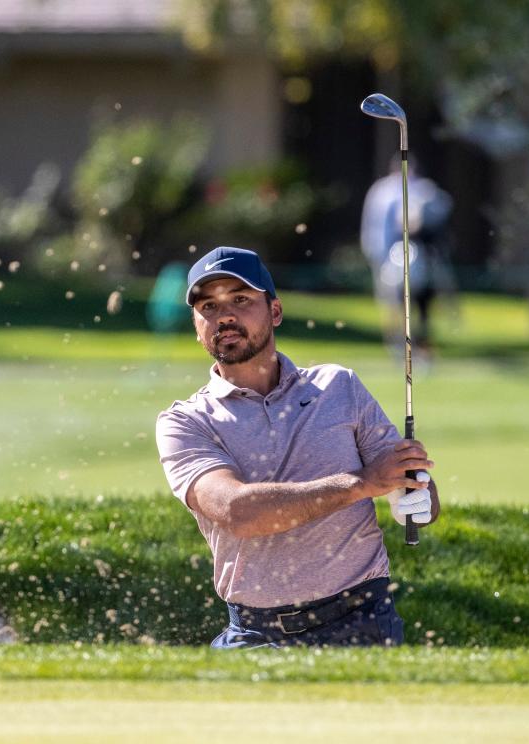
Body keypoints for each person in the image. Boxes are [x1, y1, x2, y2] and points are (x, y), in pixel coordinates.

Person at [155, 246, 440, 648]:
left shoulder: (339, 387)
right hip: (255, 633)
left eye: (240, 299)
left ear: (274, 311)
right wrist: (364, 484)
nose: (225, 316)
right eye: (208, 306)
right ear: (196, 323)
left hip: (362, 621)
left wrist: (413, 495)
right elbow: (239, 513)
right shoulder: (185, 422)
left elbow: (413, 492)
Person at [360, 156, 456, 350]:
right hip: (390, 256)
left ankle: (416, 344)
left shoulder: (420, 189)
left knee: (417, 302)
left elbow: (441, 207)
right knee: (393, 302)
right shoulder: (383, 190)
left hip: (414, 256)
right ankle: (397, 343)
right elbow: (376, 224)